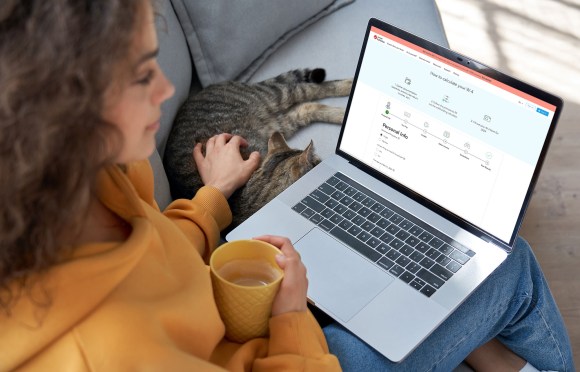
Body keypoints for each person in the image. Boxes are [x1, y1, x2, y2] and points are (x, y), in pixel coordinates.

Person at [0, 0, 573, 371]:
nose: (164, 89)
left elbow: (151, 260)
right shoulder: (106, 353)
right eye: (143, 73)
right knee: (507, 267)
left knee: (414, 288)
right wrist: (293, 315)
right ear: (68, 107)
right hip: (295, 354)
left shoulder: (87, 179)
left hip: (245, 320)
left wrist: (211, 199)